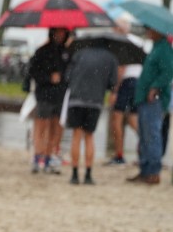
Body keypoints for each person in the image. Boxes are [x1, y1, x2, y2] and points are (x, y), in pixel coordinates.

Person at [64, 46, 118, 185]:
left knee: (76, 135)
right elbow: (112, 83)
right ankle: (88, 174)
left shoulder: (79, 54)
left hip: (76, 99)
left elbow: (67, 77)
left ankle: (75, 174)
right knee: (89, 136)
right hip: (95, 101)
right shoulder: (110, 57)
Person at [127, 27, 173, 185]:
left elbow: (168, 72)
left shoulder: (164, 49)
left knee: (152, 135)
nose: (148, 31)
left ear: (159, 31)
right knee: (144, 135)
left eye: (150, 29)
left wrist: (155, 87)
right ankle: (145, 169)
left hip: (154, 100)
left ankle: (153, 172)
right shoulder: (155, 48)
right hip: (144, 99)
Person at [24, 28, 70, 173]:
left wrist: (63, 79)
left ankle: (49, 157)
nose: (60, 35)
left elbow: (70, 74)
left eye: (62, 32)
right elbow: (33, 72)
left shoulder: (67, 53)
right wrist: (48, 78)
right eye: (57, 32)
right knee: (41, 125)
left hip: (60, 95)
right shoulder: (42, 52)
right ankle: (38, 156)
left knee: (56, 128)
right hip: (44, 95)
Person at [107, 17, 141, 165]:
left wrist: (114, 91)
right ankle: (148, 146)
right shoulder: (137, 40)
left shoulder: (122, 43)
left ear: (119, 29)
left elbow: (121, 68)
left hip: (126, 81)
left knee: (117, 118)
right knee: (133, 118)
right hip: (139, 81)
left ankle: (119, 155)